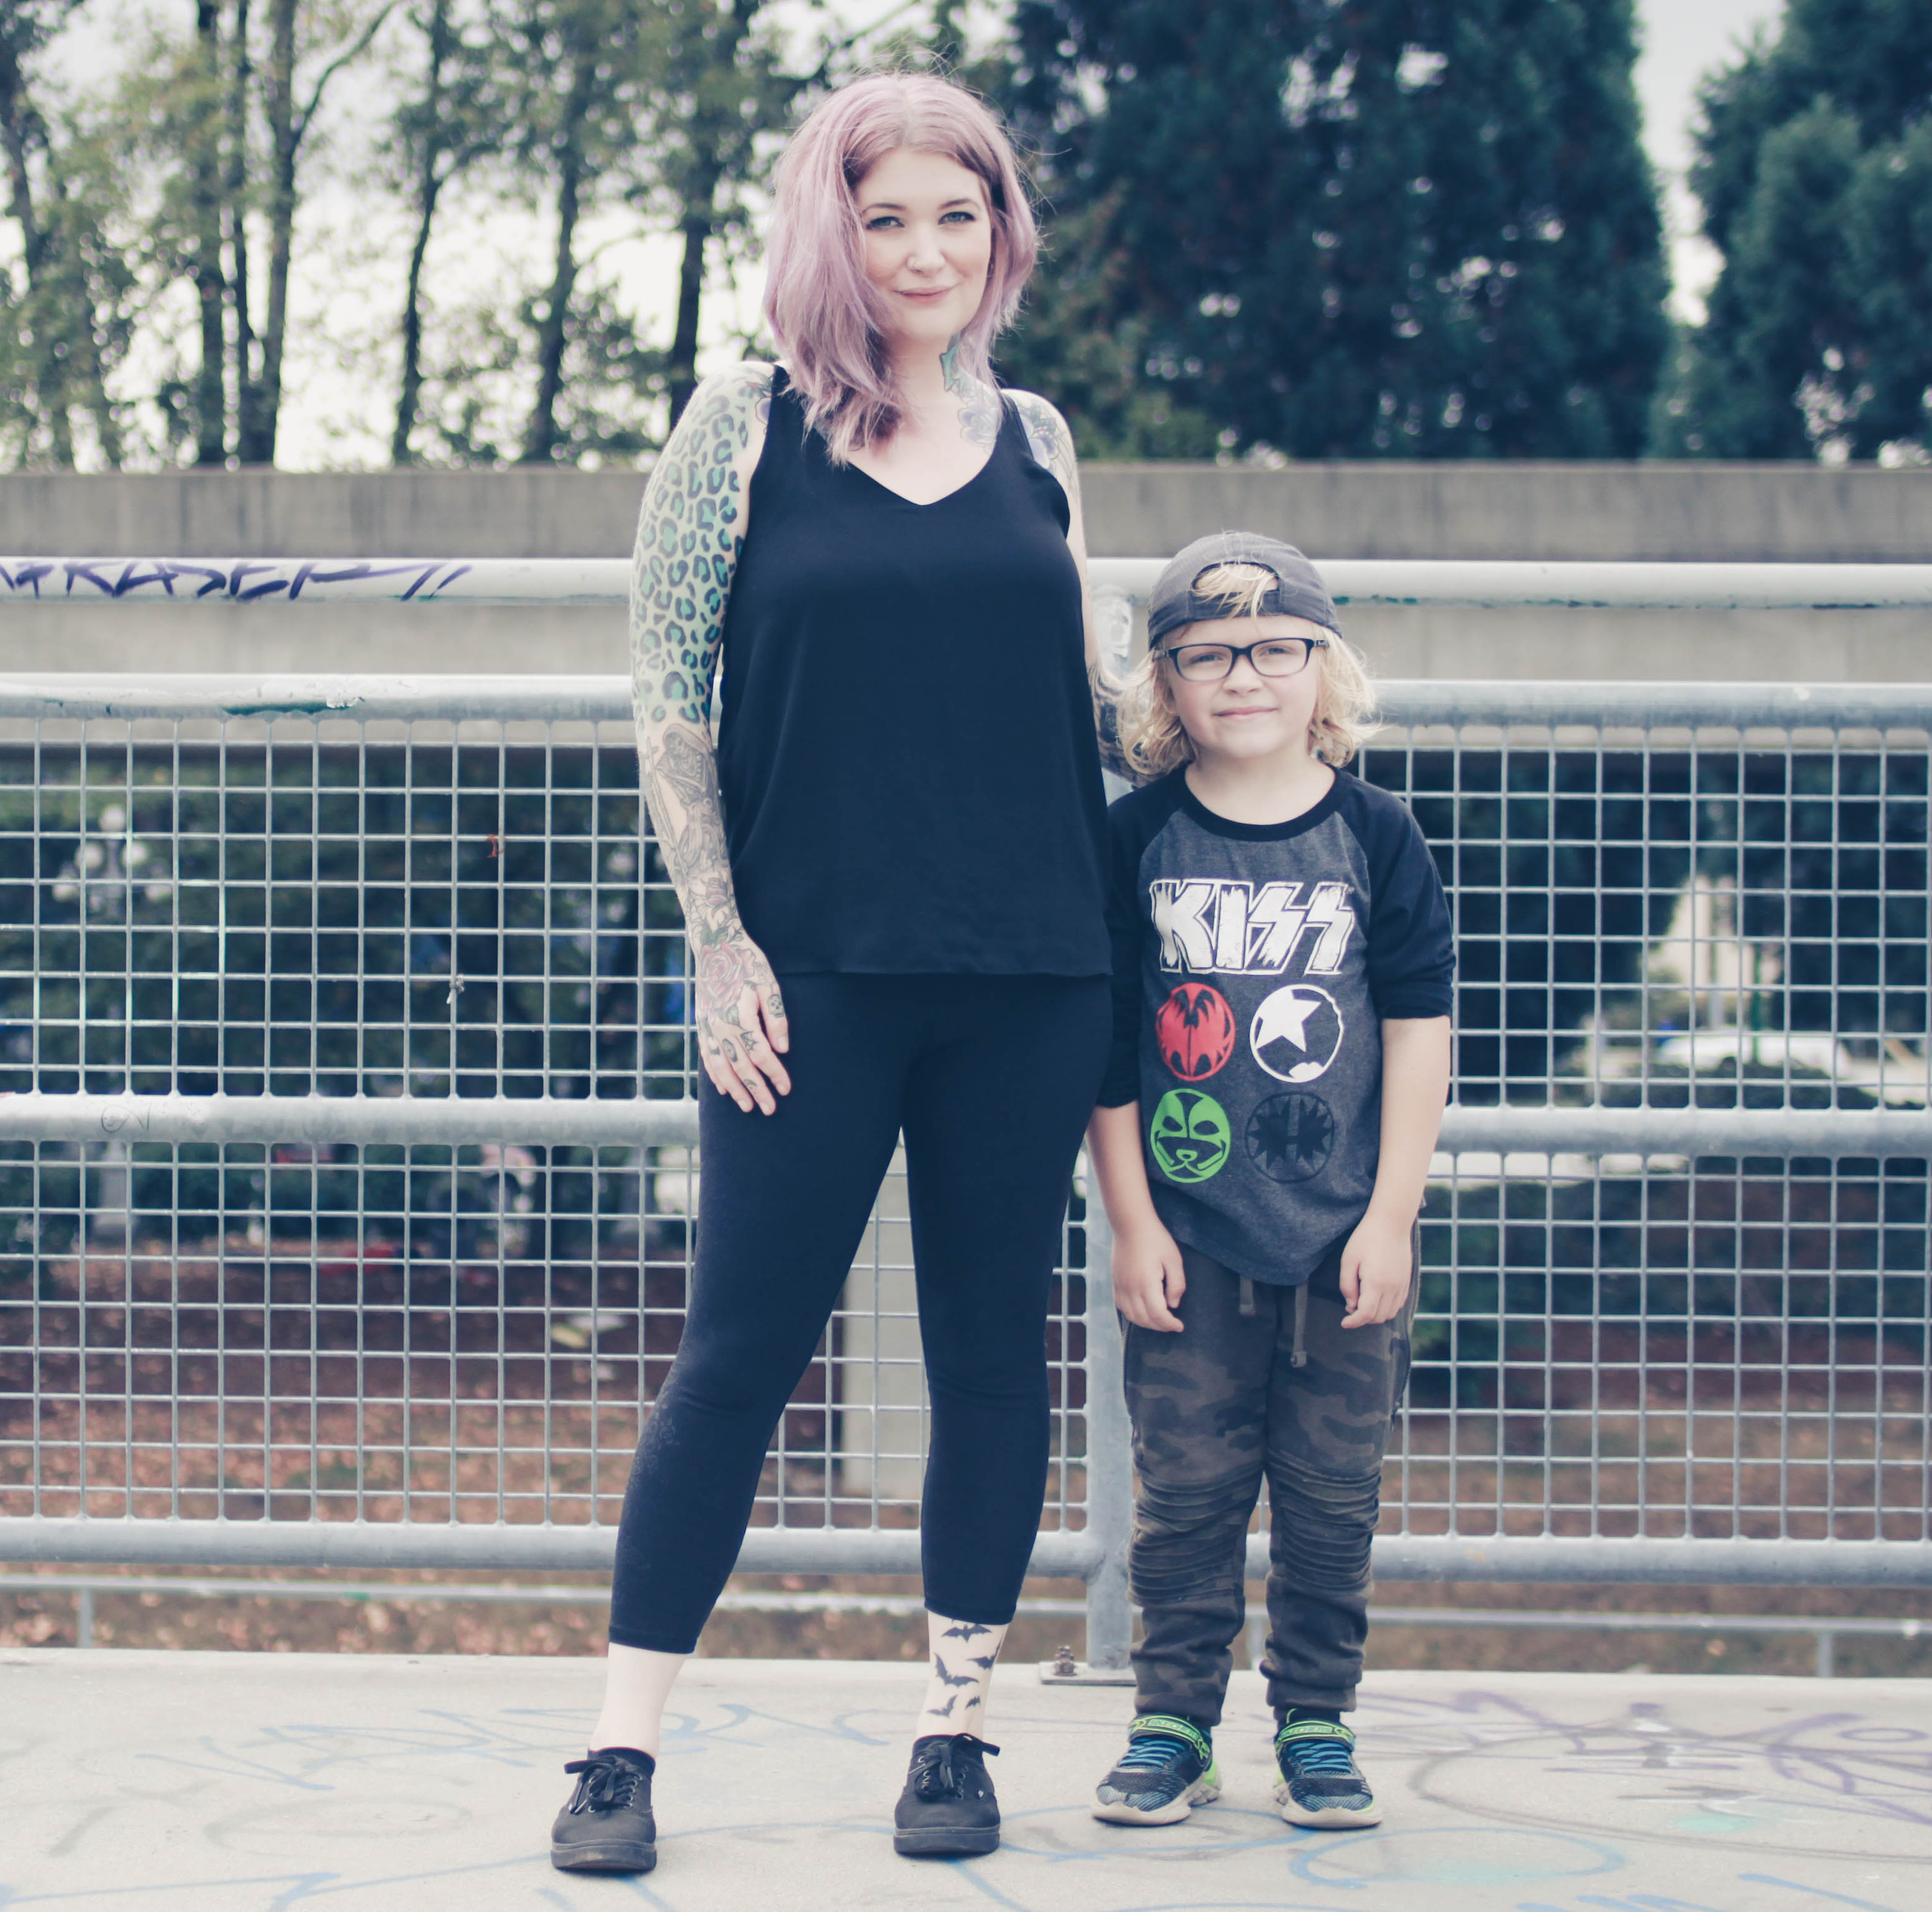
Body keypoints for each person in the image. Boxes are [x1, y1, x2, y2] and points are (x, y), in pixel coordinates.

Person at [549, 71, 1123, 1874]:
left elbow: (1088, 704)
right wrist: (719, 943)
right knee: (736, 1356)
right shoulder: (742, 426)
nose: (925, 250)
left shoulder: (1040, 441)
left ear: (1000, 230)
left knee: (991, 1360)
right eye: (887, 218)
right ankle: (618, 1753)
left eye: (959, 214)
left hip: (1030, 970)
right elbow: (667, 703)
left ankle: (954, 1725)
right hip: (813, 987)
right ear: (832, 230)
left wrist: (1264, 699)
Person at [1081, 532, 1452, 1834]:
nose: (1244, 676)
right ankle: (1171, 1721)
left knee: (1331, 1493)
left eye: (1274, 648)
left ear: (1321, 667)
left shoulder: (1377, 834)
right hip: (1188, 1228)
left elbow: (1415, 1027)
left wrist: (1392, 1211)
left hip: (1342, 1228)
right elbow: (1110, 1043)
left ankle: (1315, 1719)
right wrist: (1129, 1216)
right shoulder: (1134, 837)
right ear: (1165, 687)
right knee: (1182, 1493)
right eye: (1205, 656)